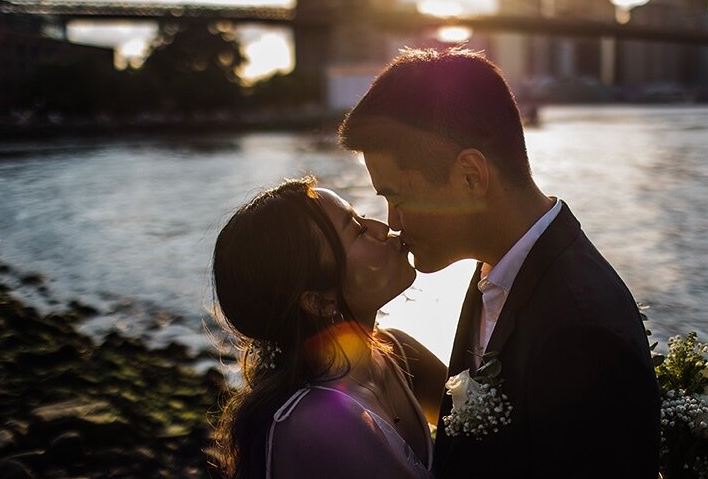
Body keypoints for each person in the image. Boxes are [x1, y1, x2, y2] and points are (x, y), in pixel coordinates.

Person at [338, 47, 661, 477]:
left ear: (471, 176)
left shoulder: (581, 335)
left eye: (396, 197)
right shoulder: (496, 271)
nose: (393, 223)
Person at [211, 177, 446, 479]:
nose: (382, 226)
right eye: (359, 231)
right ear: (320, 301)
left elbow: (503, 428)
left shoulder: (398, 353)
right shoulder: (315, 423)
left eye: (360, 215)